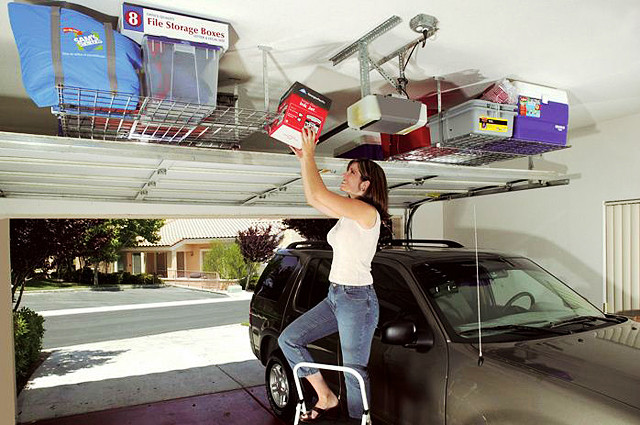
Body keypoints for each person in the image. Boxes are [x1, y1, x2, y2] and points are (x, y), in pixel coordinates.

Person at [278, 127, 389, 423]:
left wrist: (311, 154)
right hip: (335, 296)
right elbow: (314, 199)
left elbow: (317, 193)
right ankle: (326, 397)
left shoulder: (367, 214)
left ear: (365, 185)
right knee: (289, 339)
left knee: (354, 371)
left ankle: (357, 420)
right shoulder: (348, 214)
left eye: (351, 172)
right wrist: (304, 159)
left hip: (357, 300)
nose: (345, 174)